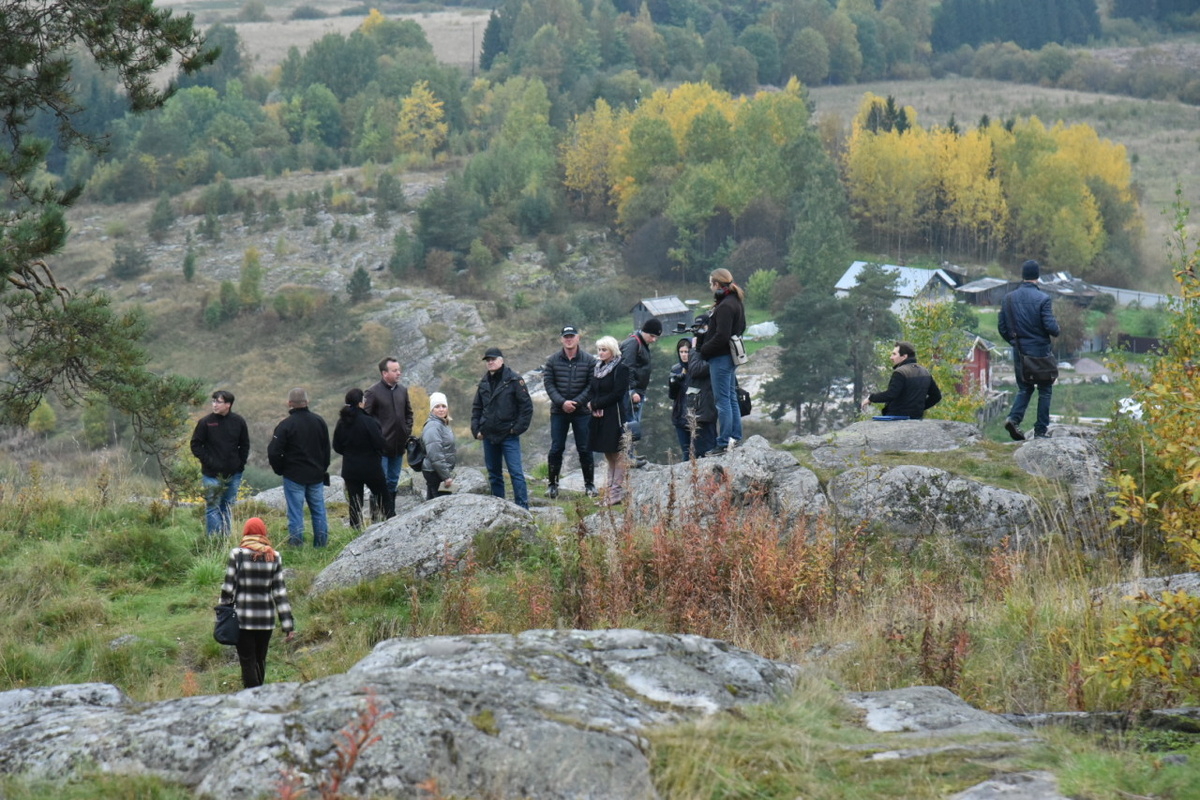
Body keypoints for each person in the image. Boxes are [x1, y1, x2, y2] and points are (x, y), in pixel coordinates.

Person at [219, 517, 295, 689]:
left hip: (243, 619)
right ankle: (260, 695)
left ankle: (252, 696)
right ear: (263, 532)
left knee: (247, 661)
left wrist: (222, 612)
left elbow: (228, 587)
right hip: (266, 620)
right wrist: (288, 625)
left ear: (246, 532)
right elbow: (280, 593)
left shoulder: (237, 554)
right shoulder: (274, 556)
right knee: (260, 660)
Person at [999, 259, 1061, 440]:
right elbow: (1052, 329)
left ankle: (1013, 418)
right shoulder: (1043, 299)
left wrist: (1014, 343)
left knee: (1025, 388)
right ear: (1038, 276)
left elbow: (1002, 327)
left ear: (1023, 276)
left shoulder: (1008, 298)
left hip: (1019, 351)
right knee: (1045, 389)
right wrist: (1056, 327)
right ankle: (1041, 431)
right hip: (1040, 352)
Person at [268, 387, 331, 547]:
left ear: (289, 403)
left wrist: (280, 469)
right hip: (316, 475)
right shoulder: (319, 421)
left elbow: (274, 451)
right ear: (307, 402)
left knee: (295, 513)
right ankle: (321, 545)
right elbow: (326, 449)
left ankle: (296, 546)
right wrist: (322, 467)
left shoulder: (285, 425)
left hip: (294, 475)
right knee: (319, 511)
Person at [471, 347, 533, 509]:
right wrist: (476, 429)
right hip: (489, 435)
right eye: (487, 360)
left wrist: (516, 429)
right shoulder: (484, 382)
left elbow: (526, 407)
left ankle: (523, 509)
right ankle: (498, 508)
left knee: (516, 473)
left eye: (493, 359)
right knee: (494, 475)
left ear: (501, 360)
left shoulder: (514, 380)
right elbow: (477, 408)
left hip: (508, 435)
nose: (490, 362)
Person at [543, 325, 597, 498]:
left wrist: (577, 402)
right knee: (556, 447)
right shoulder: (552, 361)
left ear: (578, 338)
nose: (569, 339)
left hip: (581, 411)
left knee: (585, 448)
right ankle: (552, 484)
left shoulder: (589, 361)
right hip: (559, 411)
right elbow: (549, 384)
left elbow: (592, 385)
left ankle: (589, 485)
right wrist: (562, 402)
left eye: (572, 336)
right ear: (561, 339)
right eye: (566, 337)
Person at [698, 268, 747, 455]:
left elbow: (722, 336)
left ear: (717, 284)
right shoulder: (736, 302)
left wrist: (704, 349)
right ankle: (735, 436)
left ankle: (724, 442)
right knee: (731, 398)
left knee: (723, 401)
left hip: (721, 358)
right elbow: (740, 328)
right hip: (730, 356)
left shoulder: (725, 306)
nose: (710, 287)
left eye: (711, 284)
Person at [190, 389, 250, 538]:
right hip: (211, 474)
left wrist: (240, 465)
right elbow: (196, 445)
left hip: (233, 473)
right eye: (213, 401)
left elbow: (244, 444)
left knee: (227, 507)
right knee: (212, 507)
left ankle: (226, 539)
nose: (214, 404)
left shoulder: (238, 422)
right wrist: (209, 462)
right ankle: (214, 541)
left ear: (228, 404)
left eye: (218, 401)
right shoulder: (205, 422)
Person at [333, 387, 390, 530]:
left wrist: (349, 454)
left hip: (350, 468)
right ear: (360, 403)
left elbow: (336, 446)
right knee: (383, 497)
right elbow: (380, 443)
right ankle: (391, 523)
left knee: (355, 503)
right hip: (371, 467)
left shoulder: (342, 422)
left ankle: (355, 531)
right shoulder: (368, 421)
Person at [363, 356, 413, 518]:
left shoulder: (403, 390)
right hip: (380, 448)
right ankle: (375, 515)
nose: (399, 373)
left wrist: (406, 430)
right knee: (380, 482)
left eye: (399, 369)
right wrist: (375, 439)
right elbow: (365, 419)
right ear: (384, 373)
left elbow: (408, 414)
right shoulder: (372, 392)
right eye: (395, 370)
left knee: (393, 481)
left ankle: (390, 514)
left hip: (398, 446)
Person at [588, 336, 631, 507]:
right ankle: (608, 490)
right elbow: (592, 389)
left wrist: (596, 403)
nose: (600, 353)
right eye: (599, 349)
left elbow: (618, 393)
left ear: (612, 351)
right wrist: (592, 404)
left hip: (614, 415)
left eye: (604, 349)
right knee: (607, 453)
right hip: (599, 416)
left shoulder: (621, 368)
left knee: (618, 453)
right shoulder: (597, 368)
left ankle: (615, 492)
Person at [668, 325, 716, 459]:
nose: (684, 355)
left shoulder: (700, 368)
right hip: (680, 416)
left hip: (698, 415)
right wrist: (674, 383)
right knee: (686, 454)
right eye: (681, 352)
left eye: (687, 351)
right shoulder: (676, 369)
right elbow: (672, 396)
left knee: (701, 452)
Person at [619, 316, 661, 467]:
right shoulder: (633, 343)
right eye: (652, 335)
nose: (654, 339)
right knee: (630, 424)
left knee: (634, 424)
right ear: (645, 331)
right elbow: (627, 368)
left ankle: (630, 454)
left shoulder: (641, 343)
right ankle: (627, 456)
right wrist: (631, 390)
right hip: (633, 392)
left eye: (656, 337)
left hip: (639, 391)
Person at [863, 342, 942, 419]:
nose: (891, 357)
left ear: (904, 356)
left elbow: (891, 394)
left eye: (894, 354)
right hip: (916, 418)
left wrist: (871, 398)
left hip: (896, 418)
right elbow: (936, 396)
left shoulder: (900, 372)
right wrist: (919, 408)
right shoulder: (925, 372)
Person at [421, 392, 457, 500]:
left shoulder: (442, 424)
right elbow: (435, 454)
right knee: (441, 506)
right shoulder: (433, 426)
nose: (441, 409)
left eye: (443, 406)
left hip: (436, 471)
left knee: (431, 504)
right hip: (435, 472)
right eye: (437, 406)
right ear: (432, 410)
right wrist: (446, 477)